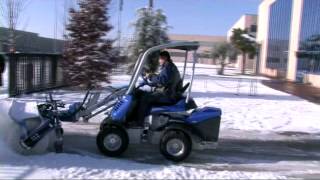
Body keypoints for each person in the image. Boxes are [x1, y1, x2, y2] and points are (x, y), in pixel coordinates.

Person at [136, 51, 183, 126]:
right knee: (144, 93)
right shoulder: (169, 66)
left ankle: (139, 122)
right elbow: (163, 79)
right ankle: (146, 119)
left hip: (167, 94)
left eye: (160, 59)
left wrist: (151, 77)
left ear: (165, 58)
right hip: (169, 92)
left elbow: (163, 81)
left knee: (144, 98)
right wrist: (152, 77)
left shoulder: (168, 67)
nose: (159, 61)